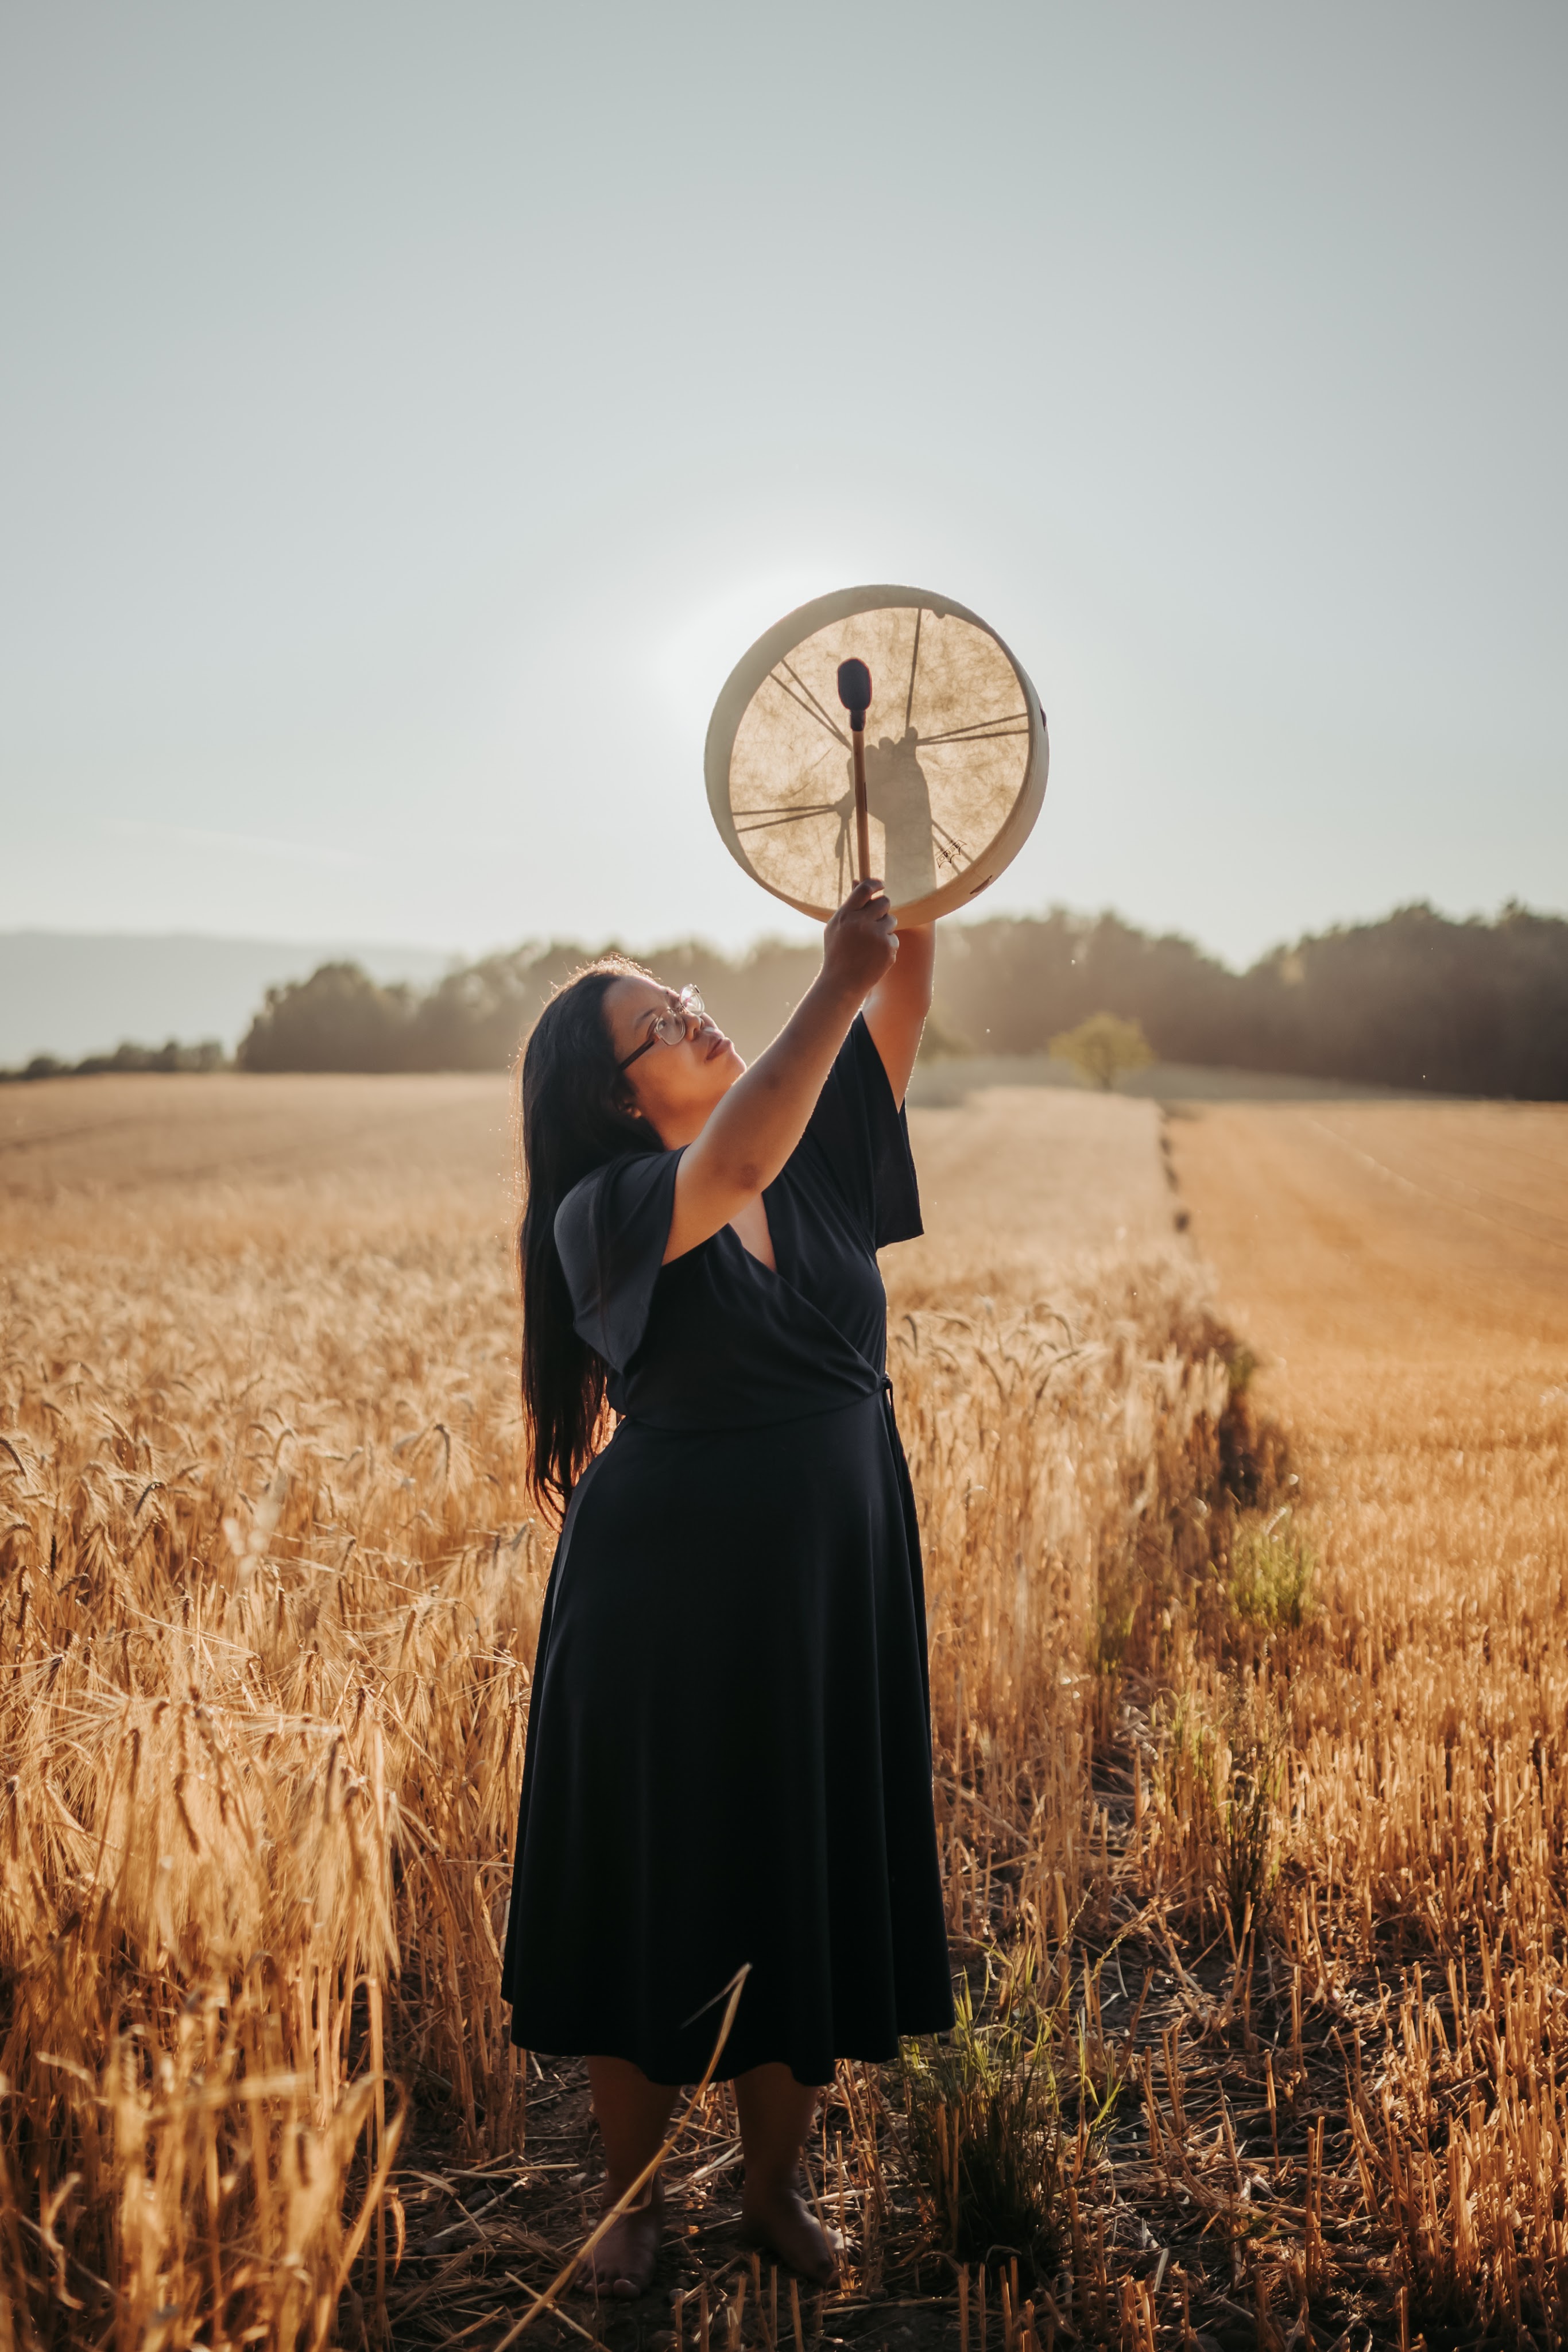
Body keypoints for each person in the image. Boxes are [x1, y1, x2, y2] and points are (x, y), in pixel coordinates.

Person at [501, 877, 953, 2298]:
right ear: (615, 1096)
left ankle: (771, 2187)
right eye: (659, 1023)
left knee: (791, 1871)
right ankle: (630, 2202)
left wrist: (898, 834)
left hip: (828, 1576)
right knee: (655, 1883)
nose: (696, 1012)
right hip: (664, 1600)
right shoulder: (607, 1206)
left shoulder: (817, 1147)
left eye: (685, 995)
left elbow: (908, 974)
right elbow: (739, 1161)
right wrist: (828, 980)